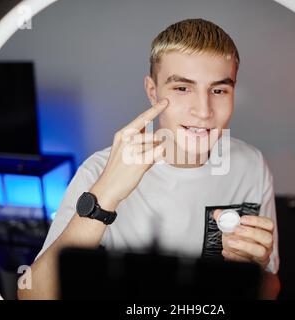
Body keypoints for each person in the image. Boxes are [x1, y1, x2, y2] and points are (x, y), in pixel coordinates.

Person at [18, 18, 280, 300]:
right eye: (182, 88)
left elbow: (271, 286)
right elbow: (31, 295)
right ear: (153, 91)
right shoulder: (98, 170)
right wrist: (106, 193)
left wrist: (256, 270)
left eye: (218, 90)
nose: (203, 111)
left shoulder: (251, 165)